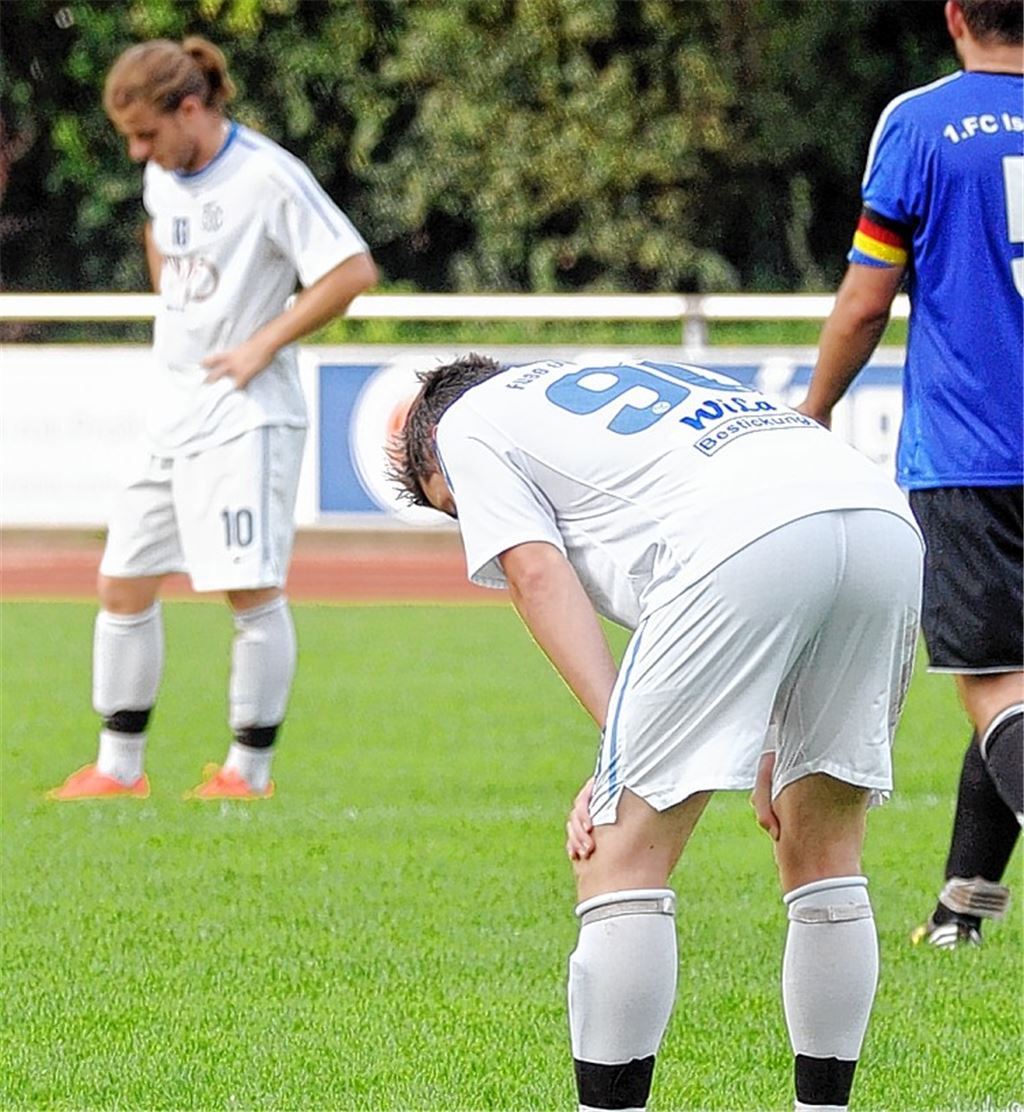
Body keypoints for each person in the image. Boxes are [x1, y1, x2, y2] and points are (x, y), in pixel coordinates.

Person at [391, 352, 924, 1112]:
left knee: (616, 856)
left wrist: (622, 746)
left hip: (740, 535)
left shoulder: (464, 424)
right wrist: (771, 739)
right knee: (823, 847)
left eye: (454, 508)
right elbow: (790, 530)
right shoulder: (604, 375)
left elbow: (536, 574)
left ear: (432, 451)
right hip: (880, 522)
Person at [48, 37, 377, 802]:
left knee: (248, 591)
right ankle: (118, 769)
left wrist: (261, 343)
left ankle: (246, 774)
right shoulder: (164, 177)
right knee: (122, 581)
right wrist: (178, 311)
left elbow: (351, 270)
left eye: (146, 134)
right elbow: (160, 236)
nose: (138, 153)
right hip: (173, 410)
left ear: (190, 109)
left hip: (244, 416)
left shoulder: (267, 176)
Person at [798, 0, 1023, 949]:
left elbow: (866, 301)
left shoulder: (922, 123)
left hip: (973, 456)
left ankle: (962, 908)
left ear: (956, 14)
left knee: (997, 688)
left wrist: (813, 411)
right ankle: (964, 907)